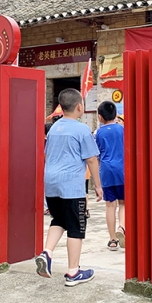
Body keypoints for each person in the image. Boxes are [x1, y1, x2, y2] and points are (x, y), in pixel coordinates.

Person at [35, 88, 102, 286]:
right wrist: (98, 186)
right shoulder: (81, 129)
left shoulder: (54, 129)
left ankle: (47, 253)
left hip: (51, 183)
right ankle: (73, 272)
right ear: (80, 106)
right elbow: (91, 159)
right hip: (71, 185)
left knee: (59, 219)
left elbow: (47, 154)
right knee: (75, 227)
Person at [95, 100, 126, 250]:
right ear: (116, 115)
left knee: (110, 205)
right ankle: (122, 227)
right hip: (122, 170)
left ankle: (113, 240)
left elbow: (96, 155)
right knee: (123, 203)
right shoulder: (123, 130)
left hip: (106, 171)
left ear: (100, 117)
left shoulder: (98, 133)